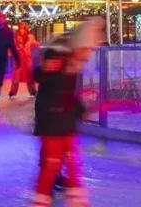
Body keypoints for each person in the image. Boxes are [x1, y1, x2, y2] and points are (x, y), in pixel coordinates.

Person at [31, 17, 103, 207]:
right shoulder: (58, 56)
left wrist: (80, 109)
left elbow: (67, 94)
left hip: (64, 120)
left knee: (71, 161)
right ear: (80, 45)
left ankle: (76, 199)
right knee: (52, 163)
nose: (88, 55)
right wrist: (44, 70)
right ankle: (41, 200)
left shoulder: (72, 61)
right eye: (87, 49)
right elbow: (40, 75)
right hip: (52, 121)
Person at [9, 22, 39, 99]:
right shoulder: (15, 37)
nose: (21, 30)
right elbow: (12, 46)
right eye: (20, 28)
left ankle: (32, 91)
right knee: (16, 75)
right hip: (18, 58)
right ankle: (12, 92)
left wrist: (34, 44)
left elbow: (35, 44)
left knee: (29, 74)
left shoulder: (30, 37)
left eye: (23, 28)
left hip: (27, 58)